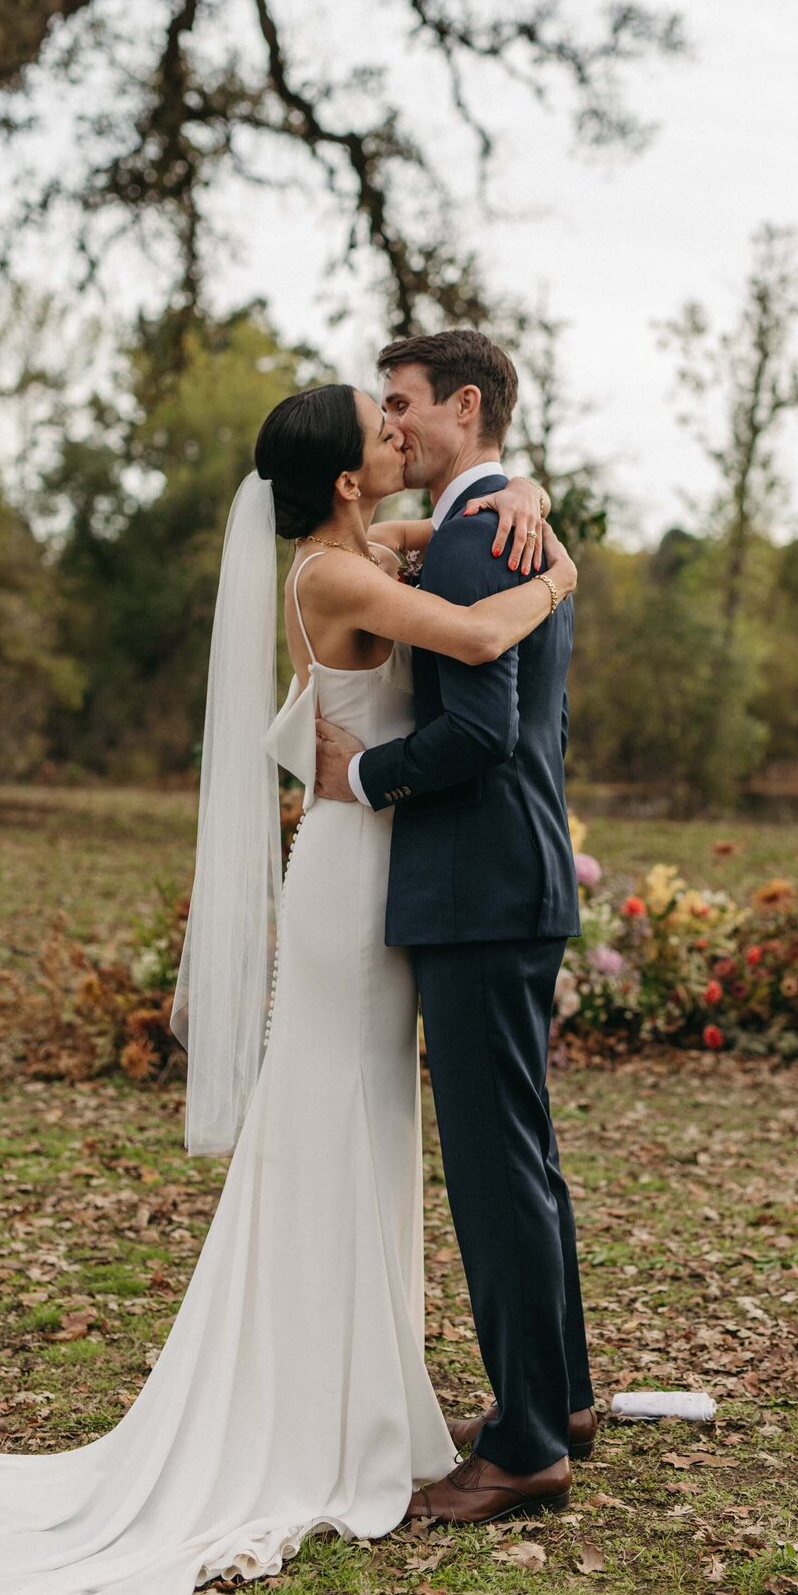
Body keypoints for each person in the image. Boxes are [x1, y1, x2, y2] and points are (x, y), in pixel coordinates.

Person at [0, 380, 577, 1595]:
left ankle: (365, 1390)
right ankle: (304, 1408)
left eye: (403, 418)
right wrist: (559, 580)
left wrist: (524, 493)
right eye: (379, 428)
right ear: (343, 475)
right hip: (349, 879)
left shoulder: (368, 546)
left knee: (370, 1128)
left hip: (383, 863)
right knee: (329, 1118)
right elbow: (483, 638)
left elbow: (464, 515)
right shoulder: (334, 581)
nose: (399, 436)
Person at [314, 330, 596, 1525]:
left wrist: (362, 777)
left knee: (494, 1175)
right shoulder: (494, 524)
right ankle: (560, 1396)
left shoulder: (487, 535)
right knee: (520, 1159)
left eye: (403, 404)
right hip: (504, 881)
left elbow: (481, 730)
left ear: (463, 407)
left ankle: (528, 1446)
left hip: (479, 888)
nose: (391, 425)